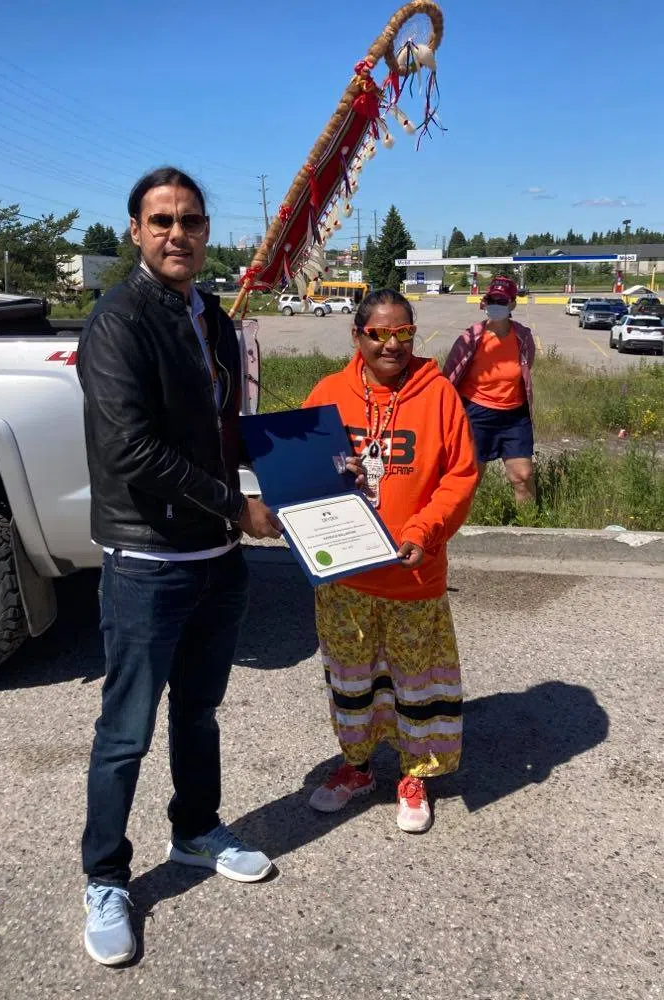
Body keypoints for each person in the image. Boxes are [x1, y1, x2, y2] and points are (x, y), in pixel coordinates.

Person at [77, 166, 283, 966]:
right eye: (161, 221)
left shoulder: (212, 318)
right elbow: (132, 450)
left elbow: (226, 428)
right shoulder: (119, 320)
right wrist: (237, 509)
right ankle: (104, 877)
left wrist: (313, 472)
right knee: (124, 732)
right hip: (148, 558)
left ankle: (196, 830)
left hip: (216, 560)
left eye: (190, 221)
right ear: (135, 231)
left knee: (198, 714)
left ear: (205, 232)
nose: (177, 234)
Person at [302, 289, 478, 833]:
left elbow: (460, 476)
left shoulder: (439, 394)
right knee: (351, 679)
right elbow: (301, 473)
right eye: (378, 333)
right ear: (357, 336)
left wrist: (426, 529)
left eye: (403, 332)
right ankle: (356, 767)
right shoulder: (330, 393)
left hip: (413, 573)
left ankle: (415, 774)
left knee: (414, 680)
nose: (392, 344)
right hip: (346, 579)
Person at [443, 275, 537, 503]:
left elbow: (525, 369)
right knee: (470, 478)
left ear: (512, 304)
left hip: (514, 416)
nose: (496, 305)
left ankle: (530, 526)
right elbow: (449, 376)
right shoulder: (470, 338)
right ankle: (460, 527)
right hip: (477, 414)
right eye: (492, 299)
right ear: (485, 302)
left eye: (502, 301)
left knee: (523, 476)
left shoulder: (523, 337)